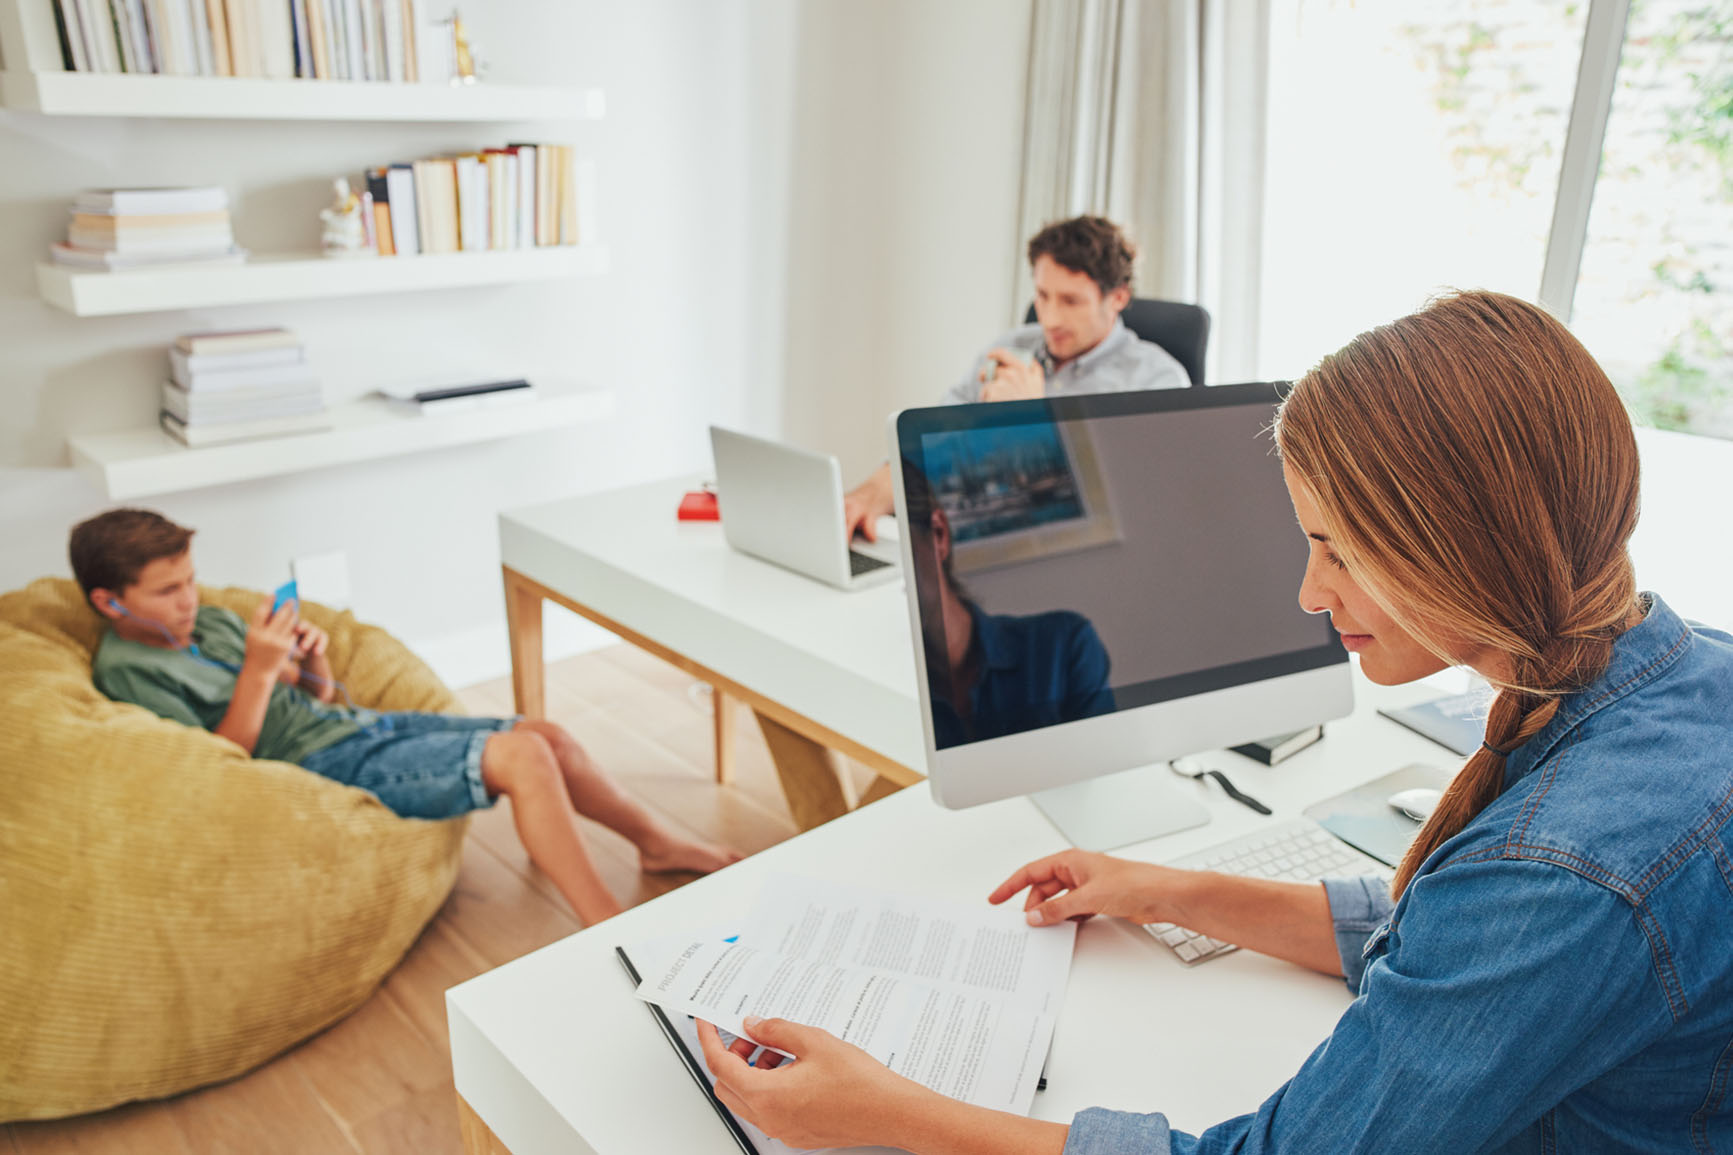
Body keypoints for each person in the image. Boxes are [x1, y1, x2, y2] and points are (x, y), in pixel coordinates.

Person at [695, 290, 1733, 1152]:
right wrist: (1169, 890)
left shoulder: (1558, 869)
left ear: (1452, 548)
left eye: (1334, 550)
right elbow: (1461, 941)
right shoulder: (1681, 671)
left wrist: (888, 1114)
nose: (1307, 596)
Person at [70, 509, 740, 927]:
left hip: (349, 727)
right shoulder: (129, 672)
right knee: (524, 758)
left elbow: (320, 697)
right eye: (167, 590)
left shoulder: (210, 620)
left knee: (546, 734)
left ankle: (656, 841)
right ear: (109, 601)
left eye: (188, 579)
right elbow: (216, 763)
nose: (190, 598)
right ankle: (604, 927)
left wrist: (310, 660)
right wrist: (256, 671)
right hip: (316, 767)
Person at [844, 216, 1190, 543]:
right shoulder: (1008, 349)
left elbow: (1124, 513)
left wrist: (1029, 419)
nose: (1051, 318)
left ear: (1117, 298)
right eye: (1042, 296)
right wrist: (866, 498)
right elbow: (931, 448)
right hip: (972, 537)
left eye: (1071, 301)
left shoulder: (1156, 380)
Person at [904, 464, 1115, 748]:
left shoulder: (1063, 646)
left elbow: (1105, 773)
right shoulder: (894, 693)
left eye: (897, 549)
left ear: (938, 534)